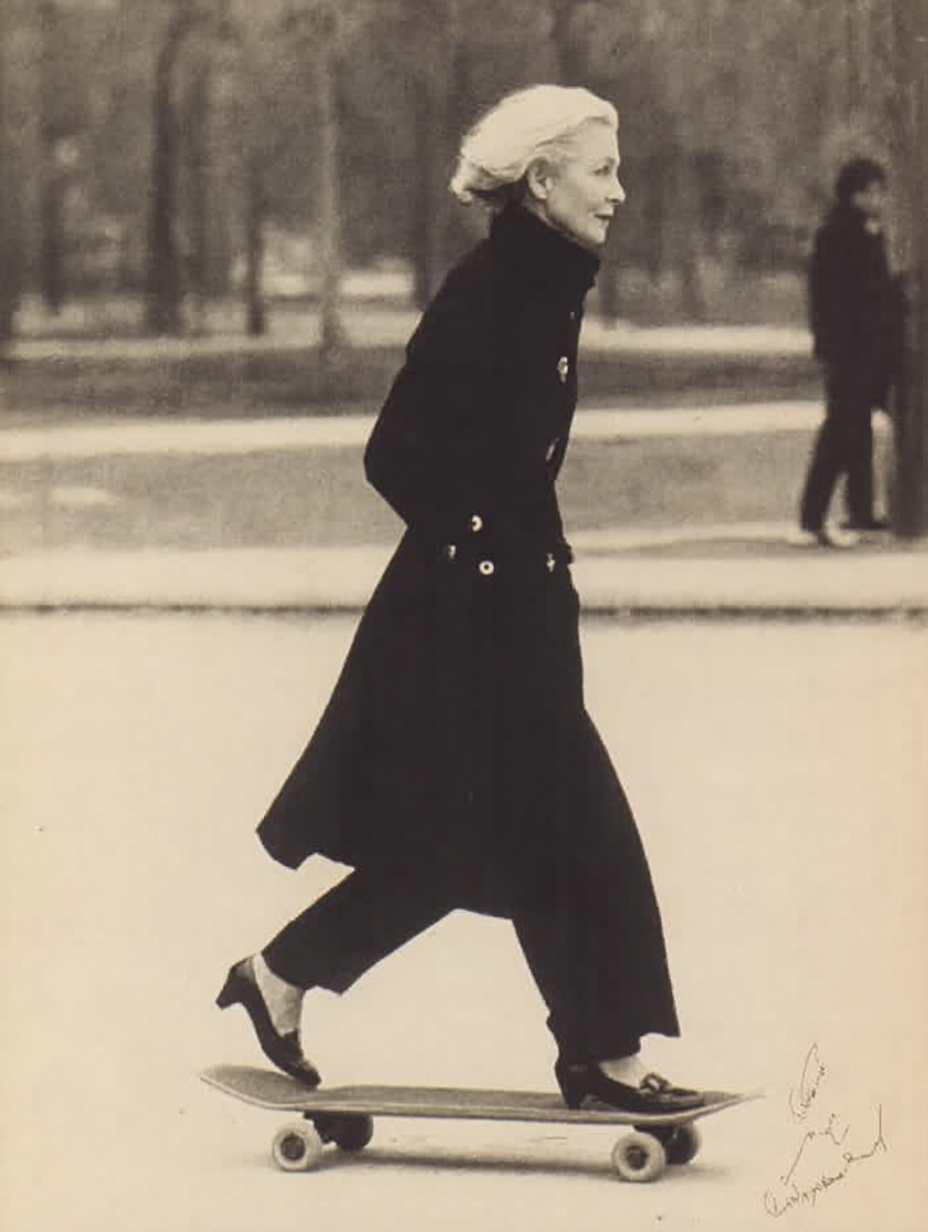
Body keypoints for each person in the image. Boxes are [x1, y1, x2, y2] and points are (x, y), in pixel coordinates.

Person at [217, 85, 703, 1115]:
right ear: (542, 179)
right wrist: (486, 553)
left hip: (512, 607)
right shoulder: (490, 291)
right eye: (602, 169)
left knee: (486, 836)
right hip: (468, 619)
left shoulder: (544, 283)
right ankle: (601, 1058)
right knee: (564, 828)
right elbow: (394, 452)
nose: (620, 191)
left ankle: (282, 975)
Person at [799, 156, 900, 546]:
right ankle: (812, 517)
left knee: (857, 434)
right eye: (872, 192)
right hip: (851, 350)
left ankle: (860, 511)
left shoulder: (860, 231)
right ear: (855, 194)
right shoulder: (842, 234)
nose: (879, 199)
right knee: (841, 431)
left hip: (862, 350)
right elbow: (852, 296)